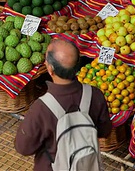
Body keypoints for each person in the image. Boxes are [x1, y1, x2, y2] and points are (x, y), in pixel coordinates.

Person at [15, 39, 112, 171]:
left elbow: (23, 148)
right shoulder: (95, 94)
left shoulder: (41, 108)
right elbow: (105, 131)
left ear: (50, 69)